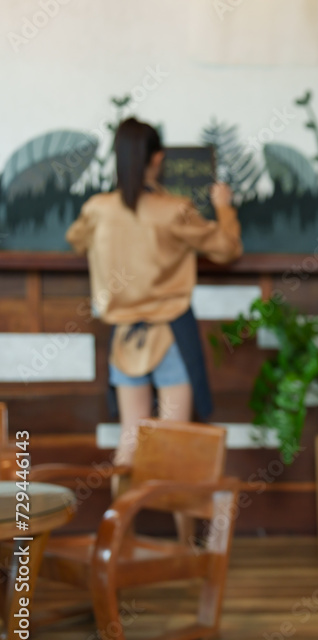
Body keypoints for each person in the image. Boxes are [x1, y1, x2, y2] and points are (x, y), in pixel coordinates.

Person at [66, 117, 242, 478]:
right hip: (170, 335)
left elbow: (76, 239)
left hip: (124, 338)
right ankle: (181, 536)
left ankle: (116, 529)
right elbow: (227, 249)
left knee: (129, 438)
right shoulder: (174, 209)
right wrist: (223, 205)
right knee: (172, 442)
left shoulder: (98, 209)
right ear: (158, 158)